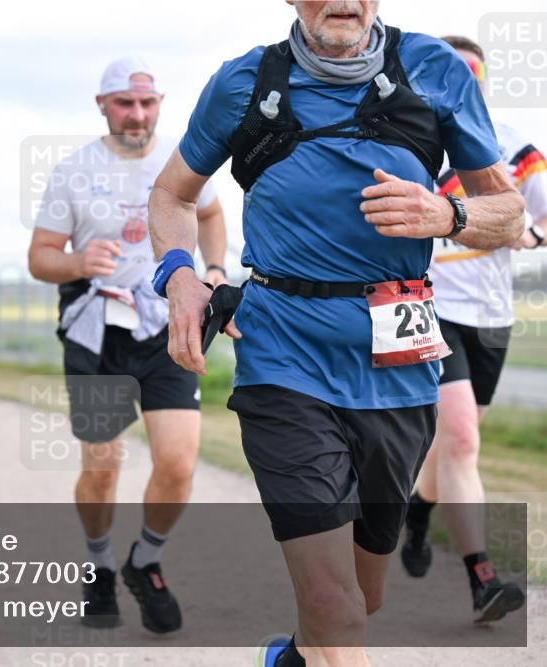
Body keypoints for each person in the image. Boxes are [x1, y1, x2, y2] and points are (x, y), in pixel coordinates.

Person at [148, 2, 525, 665]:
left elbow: (509, 211)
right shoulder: (246, 82)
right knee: (334, 605)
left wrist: (447, 210)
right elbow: (173, 195)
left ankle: (289, 658)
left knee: (360, 599)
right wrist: (180, 274)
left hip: (398, 367)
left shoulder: (434, 70)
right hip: (282, 359)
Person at [28, 57, 226, 633]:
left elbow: (211, 215)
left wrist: (214, 268)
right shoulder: (73, 170)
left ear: (159, 104)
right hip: (98, 334)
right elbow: (40, 257)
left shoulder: (182, 160)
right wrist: (75, 261)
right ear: (102, 105)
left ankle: (146, 560)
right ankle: (99, 566)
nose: (136, 115)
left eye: (146, 103)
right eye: (124, 103)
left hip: (166, 326)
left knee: (178, 461)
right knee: (103, 466)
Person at [400, 34, 543, 624]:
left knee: (455, 443)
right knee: (460, 439)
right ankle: (483, 578)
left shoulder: (512, 148)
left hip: (493, 320)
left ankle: (416, 510)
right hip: (430, 308)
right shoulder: (412, 144)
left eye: (473, 77)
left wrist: (530, 235)